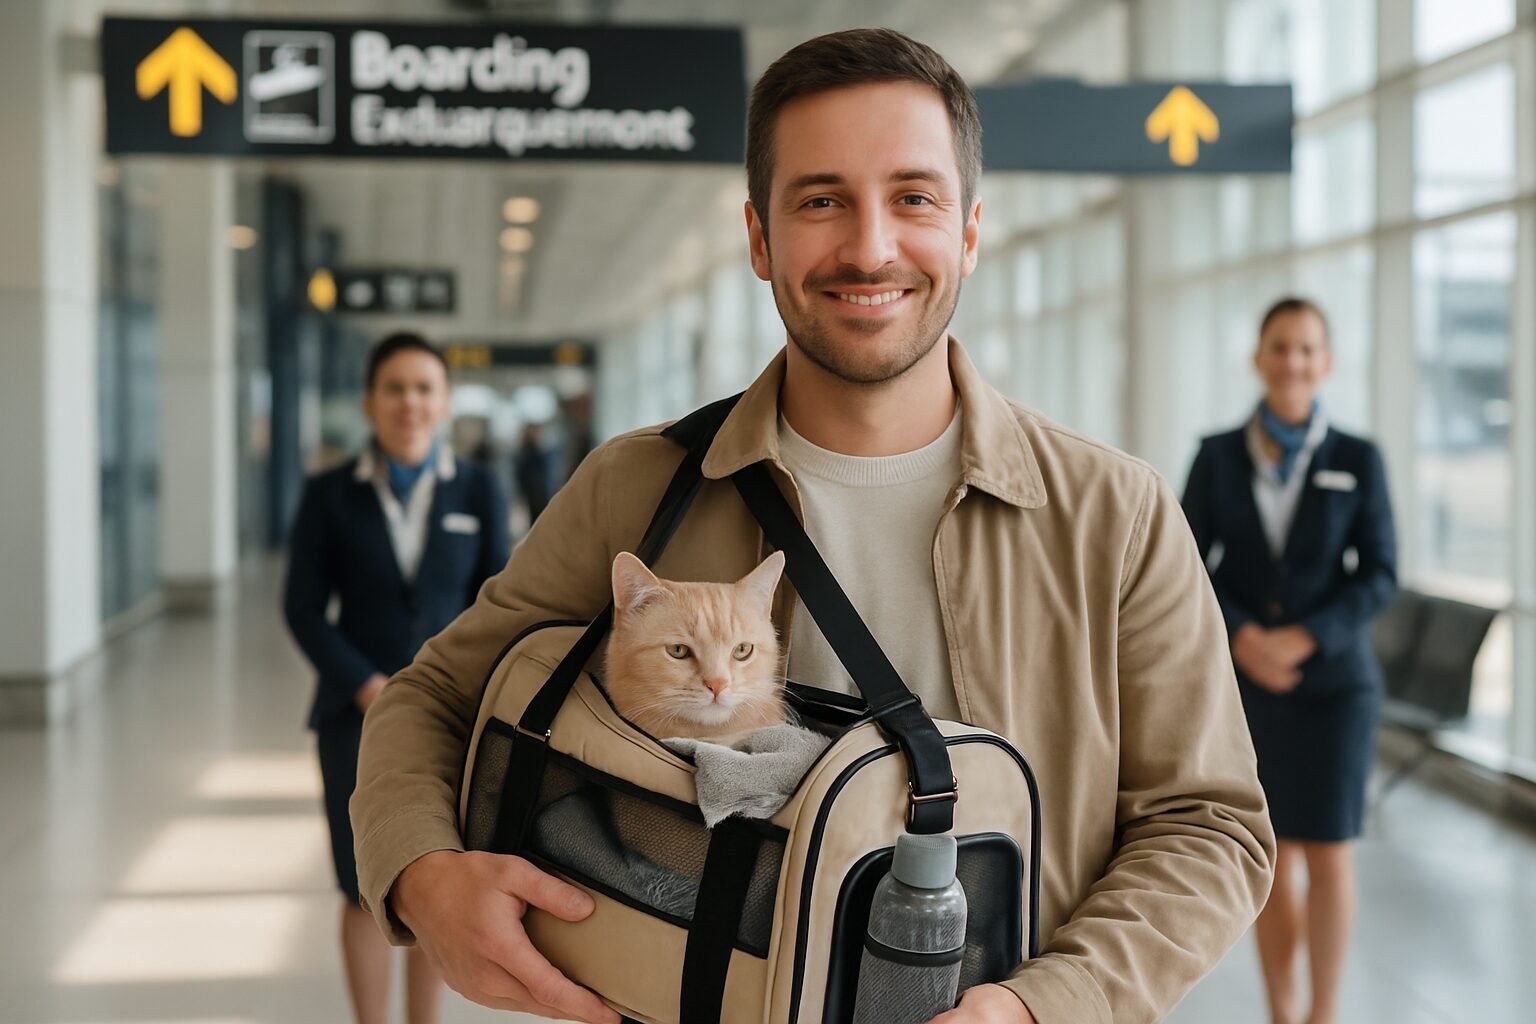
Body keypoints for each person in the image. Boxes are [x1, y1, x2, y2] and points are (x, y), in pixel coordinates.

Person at [352, 30, 1275, 1024]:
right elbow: (436, 695)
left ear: (969, 230)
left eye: (913, 198)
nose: (871, 247)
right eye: (822, 200)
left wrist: (1046, 1005)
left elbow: (1209, 823)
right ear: (759, 238)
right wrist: (422, 877)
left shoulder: (1112, 518)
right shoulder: (641, 486)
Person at [1181, 297, 1397, 1024]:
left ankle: (1323, 1014)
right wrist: (1244, 638)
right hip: (1247, 685)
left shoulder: (1357, 458)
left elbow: (1380, 574)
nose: (1294, 361)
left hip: (1334, 685)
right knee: (1270, 854)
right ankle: (1282, 1013)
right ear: (1260, 357)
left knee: (1329, 848)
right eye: (1281, 347)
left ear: (1326, 362)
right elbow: (1184, 565)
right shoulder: (1216, 455)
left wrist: (1304, 640)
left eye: (1308, 349)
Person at [283, 331, 510, 1024]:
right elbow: (301, 608)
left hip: (447, 719)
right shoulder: (329, 495)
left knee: (432, 880)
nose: (409, 402)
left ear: (443, 404)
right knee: (358, 886)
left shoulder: (479, 487)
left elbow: (498, 603)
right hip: (353, 718)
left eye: (423, 388)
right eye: (395, 388)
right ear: (369, 403)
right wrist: (366, 685)